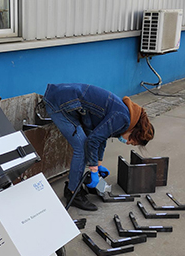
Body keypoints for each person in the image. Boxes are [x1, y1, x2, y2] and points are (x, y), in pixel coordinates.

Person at [43, 83, 154, 211]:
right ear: (135, 132)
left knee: (86, 146)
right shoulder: (123, 119)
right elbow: (93, 140)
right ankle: (73, 193)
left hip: (66, 101)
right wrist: (94, 169)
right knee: (82, 147)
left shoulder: (126, 115)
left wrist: (98, 163)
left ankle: (74, 186)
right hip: (59, 103)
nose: (128, 143)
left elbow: (101, 137)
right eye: (132, 141)